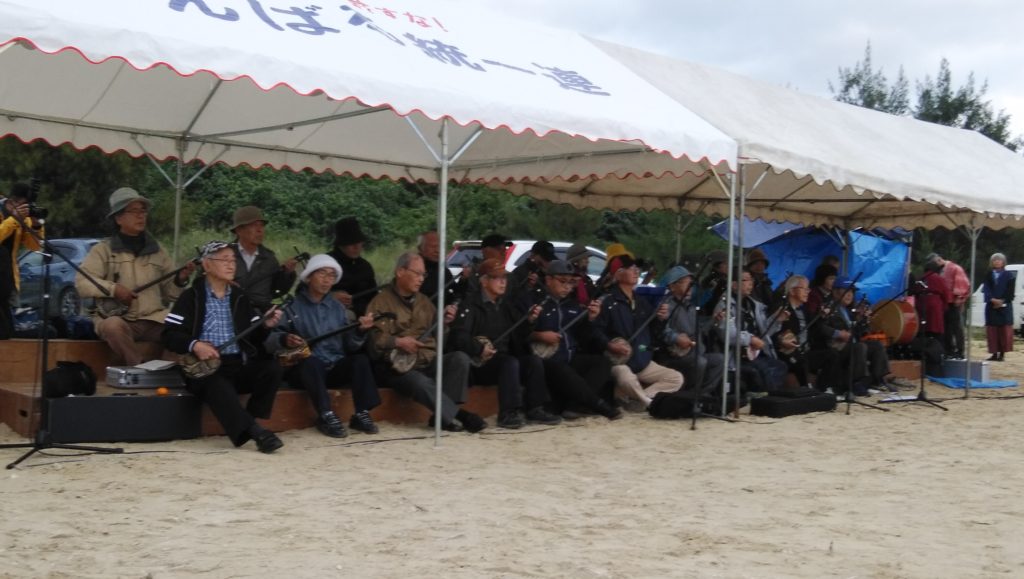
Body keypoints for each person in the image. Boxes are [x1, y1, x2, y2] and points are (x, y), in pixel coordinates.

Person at [162, 240, 285, 453]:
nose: (231, 265)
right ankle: (257, 433)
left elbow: (253, 337)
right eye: (224, 260)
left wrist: (266, 325)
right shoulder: (191, 296)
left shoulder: (239, 296)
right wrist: (195, 344)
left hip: (236, 363)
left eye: (233, 260)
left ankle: (250, 419)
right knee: (215, 383)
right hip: (203, 368)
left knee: (272, 369)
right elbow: (169, 334)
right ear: (207, 265)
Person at [365, 251, 486, 432]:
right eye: (417, 273)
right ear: (400, 272)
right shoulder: (380, 302)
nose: (421, 279)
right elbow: (373, 341)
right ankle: (459, 416)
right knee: (419, 382)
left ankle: (441, 417)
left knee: (459, 359)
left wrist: (444, 323)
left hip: (427, 360)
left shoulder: (425, 302)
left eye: (424, 274)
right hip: (398, 368)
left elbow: (441, 340)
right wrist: (398, 342)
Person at [76, 188, 193, 365]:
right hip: (120, 320)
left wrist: (180, 279)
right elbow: (82, 283)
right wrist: (114, 290)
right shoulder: (102, 250)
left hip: (154, 318)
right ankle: (138, 367)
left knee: (182, 325)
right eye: (134, 211)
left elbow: (171, 293)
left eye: (143, 211)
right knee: (112, 326)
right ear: (118, 218)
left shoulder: (158, 250)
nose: (141, 216)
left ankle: (167, 369)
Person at [277, 254, 381, 438]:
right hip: (304, 370)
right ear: (309, 277)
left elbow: (350, 345)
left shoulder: (338, 308)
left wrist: (360, 331)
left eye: (332, 276)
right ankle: (326, 414)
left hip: (333, 366)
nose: (327, 280)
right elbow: (274, 337)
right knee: (311, 362)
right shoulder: (292, 306)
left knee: (360, 360)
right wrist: (285, 338)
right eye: (322, 274)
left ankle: (361, 412)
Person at [448, 258, 560, 428]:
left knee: (533, 362)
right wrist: (479, 349)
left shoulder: (506, 305)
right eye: (497, 278)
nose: (503, 282)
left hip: (505, 360)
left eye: (504, 278)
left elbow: (520, 334)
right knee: (509, 363)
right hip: (480, 363)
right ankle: (508, 413)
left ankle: (535, 408)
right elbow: (459, 336)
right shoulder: (469, 305)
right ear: (484, 281)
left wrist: (529, 320)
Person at [529, 260, 621, 420]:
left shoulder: (572, 304)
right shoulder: (533, 300)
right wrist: (539, 335)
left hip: (570, 356)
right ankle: (599, 404)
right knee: (560, 368)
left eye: (571, 282)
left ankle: (575, 406)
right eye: (562, 281)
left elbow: (583, 337)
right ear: (548, 279)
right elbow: (519, 333)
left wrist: (590, 319)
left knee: (602, 362)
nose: (567, 287)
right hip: (545, 360)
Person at [593, 254, 683, 408]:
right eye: (630, 268)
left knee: (676, 378)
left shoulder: (642, 301)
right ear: (618, 274)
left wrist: (660, 319)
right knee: (626, 378)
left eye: (636, 268)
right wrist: (610, 345)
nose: (636, 271)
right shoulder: (606, 301)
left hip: (642, 361)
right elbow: (595, 332)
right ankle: (648, 402)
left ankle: (639, 399)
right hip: (619, 362)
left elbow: (654, 332)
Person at [655, 265, 725, 394]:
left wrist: (714, 320)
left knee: (720, 360)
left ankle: (701, 395)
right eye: (684, 282)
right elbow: (660, 330)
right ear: (672, 286)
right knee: (700, 362)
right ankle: (689, 396)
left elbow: (700, 330)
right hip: (673, 356)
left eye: (691, 283)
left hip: (695, 353)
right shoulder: (665, 305)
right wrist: (676, 338)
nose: (690, 287)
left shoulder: (691, 307)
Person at [715, 269, 788, 392]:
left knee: (780, 365)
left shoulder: (754, 305)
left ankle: (768, 397)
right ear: (734, 285)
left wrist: (776, 320)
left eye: (751, 280)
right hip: (737, 356)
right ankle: (768, 398)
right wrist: (750, 339)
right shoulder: (725, 305)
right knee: (766, 369)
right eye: (746, 280)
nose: (750, 283)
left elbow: (764, 333)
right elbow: (727, 334)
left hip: (755, 353)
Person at [229, 206, 297, 313]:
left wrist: (286, 273)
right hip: (230, 312)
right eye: (253, 225)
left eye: (261, 225)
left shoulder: (269, 258)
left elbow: (276, 291)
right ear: (239, 230)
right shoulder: (224, 256)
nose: (259, 230)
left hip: (261, 315)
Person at [0, 182, 44, 339]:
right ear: (13, 201)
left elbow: (35, 246)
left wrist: (37, 225)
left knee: (7, 332)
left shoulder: (23, 218)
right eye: (24, 205)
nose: (26, 209)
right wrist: (14, 219)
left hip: (7, 279)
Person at [328, 217, 377, 316]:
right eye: (351, 243)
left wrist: (356, 306)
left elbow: (373, 299)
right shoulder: (325, 263)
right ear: (341, 244)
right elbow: (303, 293)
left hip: (362, 318)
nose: (357, 247)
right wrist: (329, 297)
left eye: (359, 243)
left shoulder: (365, 267)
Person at [927, 252, 970, 359]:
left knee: (957, 328)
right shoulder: (938, 270)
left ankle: (960, 351)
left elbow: (963, 283)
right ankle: (949, 350)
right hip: (944, 302)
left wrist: (959, 297)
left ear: (939, 260)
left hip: (954, 301)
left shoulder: (955, 268)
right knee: (946, 328)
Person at [982, 252, 1015, 361]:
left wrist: (1001, 301)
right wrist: (992, 299)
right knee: (992, 331)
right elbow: (986, 288)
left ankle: (1002, 354)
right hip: (991, 306)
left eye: (999, 260)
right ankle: (994, 354)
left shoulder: (1009, 275)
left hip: (1004, 307)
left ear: (1003, 262)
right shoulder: (988, 274)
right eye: (994, 260)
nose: (997, 262)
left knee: (1003, 331)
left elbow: (1010, 291)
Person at [911, 260, 951, 348]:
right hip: (935, 304)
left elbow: (915, 292)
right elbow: (946, 294)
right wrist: (945, 307)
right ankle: (937, 348)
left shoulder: (920, 279)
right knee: (935, 328)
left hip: (921, 303)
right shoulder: (939, 279)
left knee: (923, 327)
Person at [417, 230, 454, 302]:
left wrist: (463, 280)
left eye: (439, 247)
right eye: (433, 246)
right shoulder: (412, 269)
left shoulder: (444, 271)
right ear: (421, 248)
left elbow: (455, 293)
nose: (437, 250)